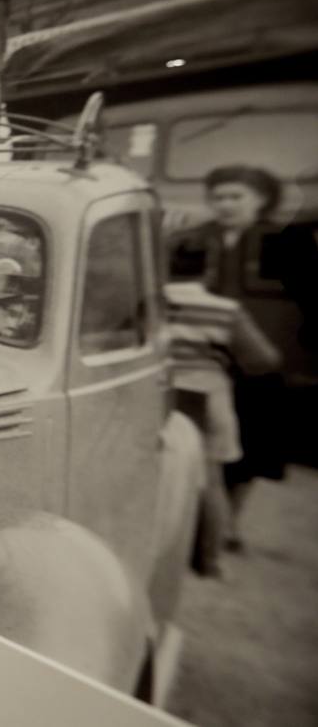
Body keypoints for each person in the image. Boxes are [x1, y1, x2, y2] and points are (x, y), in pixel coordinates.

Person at [167, 164, 289, 549]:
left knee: (248, 449)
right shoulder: (194, 239)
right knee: (199, 447)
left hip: (259, 360)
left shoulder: (285, 240)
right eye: (218, 197)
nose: (226, 205)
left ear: (261, 200)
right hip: (204, 360)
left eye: (236, 196)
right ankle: (194, 524)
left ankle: (232, 523)